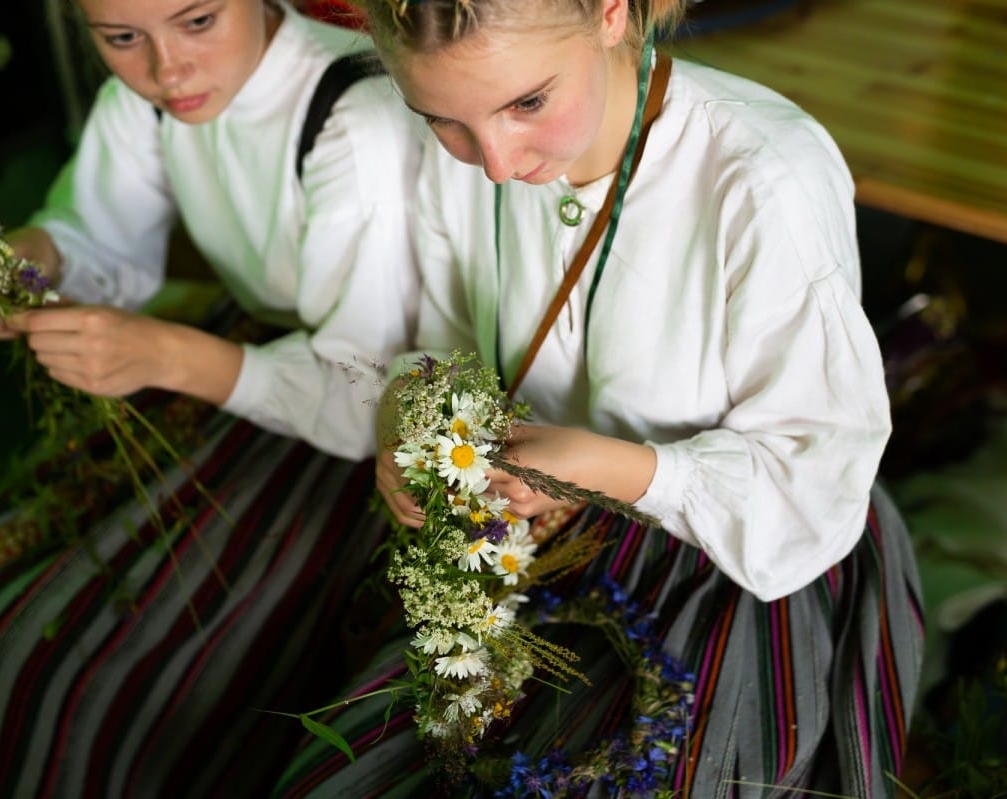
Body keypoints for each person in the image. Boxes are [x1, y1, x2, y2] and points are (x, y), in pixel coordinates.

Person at [273, 0, 924, 796]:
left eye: (529, 103)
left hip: (732, 556)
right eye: (442, 120)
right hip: (523, 535)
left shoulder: (762, 175)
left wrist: (609, 467)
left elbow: (812, 471)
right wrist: (416, 413)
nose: (497, 162)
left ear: (613, 12)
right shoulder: (462, 146)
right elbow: (444, 337)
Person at [0, 0, 420, 797]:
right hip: (246, 367)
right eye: (121, 39)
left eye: (198, 21)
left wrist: (164, 353)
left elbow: (361, 394)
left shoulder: (355, 111)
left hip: (379, 431)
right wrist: (32, 256)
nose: (166, 69)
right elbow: (100, 233)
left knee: (76, 675)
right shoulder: (147, 100)